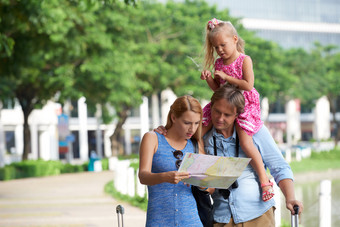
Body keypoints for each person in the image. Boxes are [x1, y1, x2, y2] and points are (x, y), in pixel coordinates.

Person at [155, 84, 303, 226]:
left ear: (237, 115)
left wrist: (290, 198)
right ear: (210, 107)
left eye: (227, 115)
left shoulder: (254, 131)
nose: (220, 118)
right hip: (221, 217)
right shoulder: (200, 135)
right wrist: (163, 131)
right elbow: (175, 139)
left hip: (258, 216)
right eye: (217, 111)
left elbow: (279, 167)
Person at [200, 18, 273, 201]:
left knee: (246, 142)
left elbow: (248, 85)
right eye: (216, 47)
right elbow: (219, 90)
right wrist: (209, 78)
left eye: (223, 45)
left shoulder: (244, 60)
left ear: (234, 39)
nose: (220, 50)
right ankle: (198, 167)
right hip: (226, 102)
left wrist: (227, 77)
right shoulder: (218, 63)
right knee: (202, 126)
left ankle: (264, 180)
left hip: (244, 102)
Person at [138, 95, 204, 227]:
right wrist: (164, 177)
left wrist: (203, 183)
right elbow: (143, 176)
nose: (192, 129)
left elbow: (209, 188)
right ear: (173, 117)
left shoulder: (196, 144)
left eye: (196, 123)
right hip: (159, 221)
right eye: (187, 123)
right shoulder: (153, 138)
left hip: (192, 221)